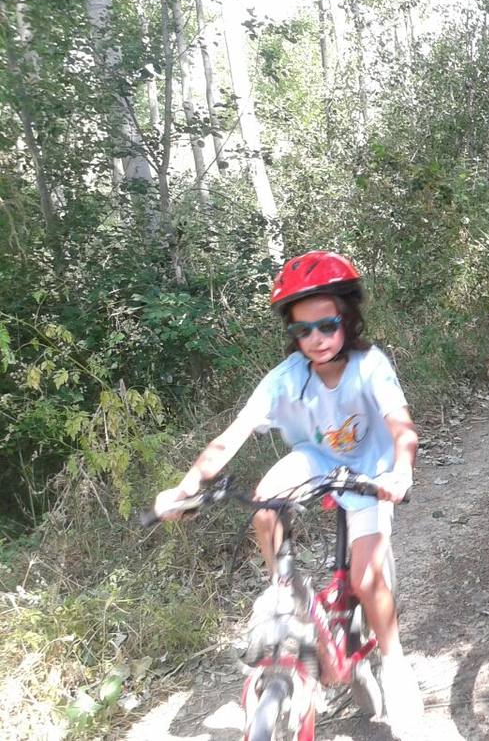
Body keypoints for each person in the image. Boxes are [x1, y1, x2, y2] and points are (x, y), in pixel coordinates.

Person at [153, 251, 423, 738]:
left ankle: (395, 662)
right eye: (303, 331)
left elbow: (402, 429)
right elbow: (230, 436)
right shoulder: (286, 379)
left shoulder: (370, 366)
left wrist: (401, 472)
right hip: (318, 461)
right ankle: (288, 588)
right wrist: (188, 486)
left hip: (372, 470)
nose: (316, 340)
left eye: (327, 326)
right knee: (265, 499)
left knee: (366, 577)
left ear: (348, 320)